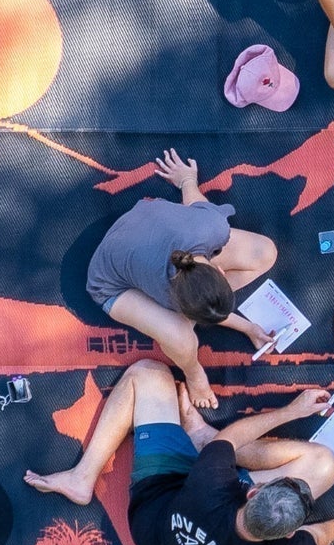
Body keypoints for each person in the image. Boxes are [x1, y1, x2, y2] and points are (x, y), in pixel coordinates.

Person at [25, 360, 334, 545]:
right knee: (325, 465)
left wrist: (289, 412)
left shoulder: (211, 487)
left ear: (249, 492)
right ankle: (198, 436)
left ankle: (84, 476)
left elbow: (231, 439)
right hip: (178, 527)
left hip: (158, 502)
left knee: (148, 373)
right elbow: (324, 535)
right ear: (289, 534)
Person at [86, 148, 278, 411]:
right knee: (182, 338)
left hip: (146, 229)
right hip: (111, 284)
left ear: (218, 270)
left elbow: (197, 206)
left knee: (264, 252)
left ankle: (202, 306)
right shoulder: (163, 290)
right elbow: (181, 316)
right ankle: (193, 372)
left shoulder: (213, 228)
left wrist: (187, 180)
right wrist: (245, 327)